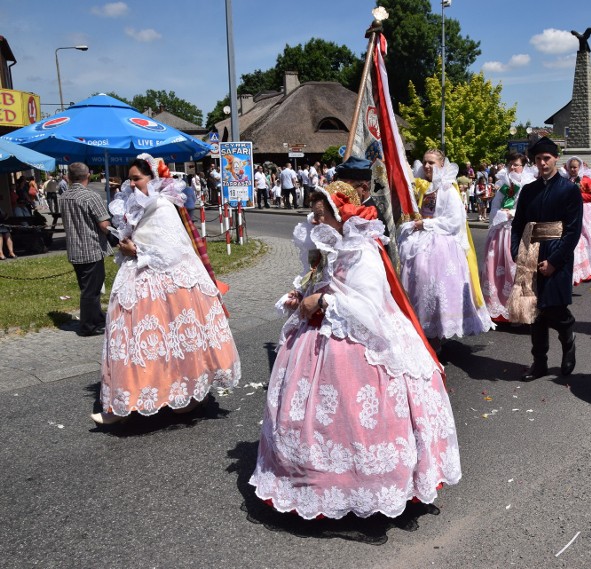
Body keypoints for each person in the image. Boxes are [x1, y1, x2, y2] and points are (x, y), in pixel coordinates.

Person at [249, 184, 461, 519]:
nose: (315, 217)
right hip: (320, 334)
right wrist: (300, 295)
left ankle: (366, 487)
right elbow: (318, 282)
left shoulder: (362, 250)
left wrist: (323, 300)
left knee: (358, 414)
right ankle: (313, 485)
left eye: (322, 211)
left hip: (360, 336)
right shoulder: (326, 247)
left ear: (339, 214)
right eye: (314, 211)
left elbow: (368, 306)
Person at [91, 154, 240, 425]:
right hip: (141, 277)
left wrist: (135, 250)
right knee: (143, 342)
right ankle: (127, 399)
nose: (133, 185)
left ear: (152, 179)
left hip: (169, 282)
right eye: (131, 179)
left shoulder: (161, 205)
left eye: (138, 179)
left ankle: (187, 394)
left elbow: (170, 252)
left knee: (174, 343)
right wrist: (128, 247)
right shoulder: (138, 206)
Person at [398, 149, 493, 346]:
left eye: (431, 163)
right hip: (418, 241)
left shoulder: (448, 189)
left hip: (440, 245)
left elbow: (454, 221)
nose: (426, 166)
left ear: (441, 165)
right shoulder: (422, 187)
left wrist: (425, 224)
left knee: (435, 289)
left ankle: (436, 332)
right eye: (424, 162)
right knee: (415, 285)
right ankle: (418, 329)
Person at [508, 137, 583, 380]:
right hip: (529, 250)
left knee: (555, 308)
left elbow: (572, 230)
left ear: (555, 159)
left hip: (555, 252)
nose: (542, 163)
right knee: (533, 310)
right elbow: (518, 224)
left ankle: (568, 336)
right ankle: (539, 361)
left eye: (547, 158)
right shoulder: (529, 190)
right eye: (538, 159)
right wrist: (515, 251)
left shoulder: (569, 190)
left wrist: (555, 261)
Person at [58, 163, 112, 337]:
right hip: (91, 248)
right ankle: (87, 326)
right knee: (92, 290)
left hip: (74, 249)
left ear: (70, 177)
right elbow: (104, 224)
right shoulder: (90, 196)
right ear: (87, 175)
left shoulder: (64, 197)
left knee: (86, 287)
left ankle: (96, 316)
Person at [481, 152, 535, 323]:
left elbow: (529, 209)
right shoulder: (504, 184)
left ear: (523, 166)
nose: (513, 167)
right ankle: (498, 309)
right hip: (501, 231)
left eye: (516, 164)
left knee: (516, 271)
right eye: (510, 164)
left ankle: (518, 312)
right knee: (495, 269)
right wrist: (498, 215)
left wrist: (511, 213)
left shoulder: (529, 184)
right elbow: (495, 206)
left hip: (517, 231)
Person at [561, 156, 591, 285]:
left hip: (585, 211)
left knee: (588, 236)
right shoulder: (565, 180)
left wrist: (577, 196)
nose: (573, 170)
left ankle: (590, 265)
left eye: (575, 167)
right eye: (571, 167)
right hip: (570, 211)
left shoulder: (586, 179)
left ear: (580, 168)